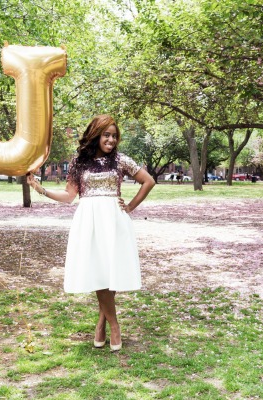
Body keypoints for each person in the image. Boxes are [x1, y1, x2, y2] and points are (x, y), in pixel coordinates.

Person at [27, 115, 155, 352]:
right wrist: (40, 189)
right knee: (98, 269)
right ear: (96, 135)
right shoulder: (79, 162)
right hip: (89, 219)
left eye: (114, 136)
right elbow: (69, 196)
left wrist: (130, 207)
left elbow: (148, 181)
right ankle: (111, 324)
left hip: (114, 220)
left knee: (110, 269)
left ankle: (105, 325)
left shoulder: (120, 160)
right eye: (106, 135)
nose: (111, 140)